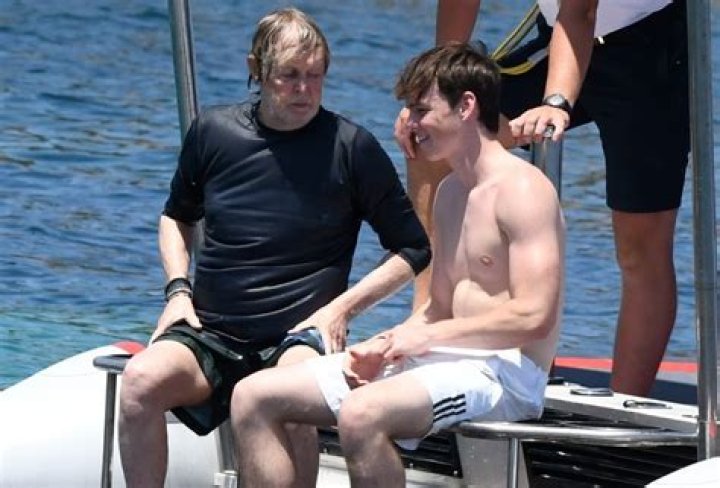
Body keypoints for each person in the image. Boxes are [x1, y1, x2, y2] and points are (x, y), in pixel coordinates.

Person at [117, 7, 431, 487]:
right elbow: (176, 216)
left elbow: (413, 248)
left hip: (298, 337)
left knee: (287, 396)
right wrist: (178, 292)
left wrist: (340, 311)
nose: (304, 89)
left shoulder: (352, 147)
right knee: (139, 381)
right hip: (212, 332)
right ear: (256, 69)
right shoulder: (213, 132)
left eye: (315, 75)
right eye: (289, 75)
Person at [230, 43, 565, 487]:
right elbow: (439, 307)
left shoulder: (524, 191)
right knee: (253, 396)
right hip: (443, 356)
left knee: (361, 414)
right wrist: (387, 344)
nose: (409, 123)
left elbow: (534, 317)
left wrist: (424, 337)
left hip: (502, 372)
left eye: (421, 110)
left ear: (466, 106)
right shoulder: (450, 193)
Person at [398, 0, 689, 397]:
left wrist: (556, 103)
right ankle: (425, 331)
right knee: (429, 136)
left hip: (646, 43)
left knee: (641, 244)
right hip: (556, 35)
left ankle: (626, 402)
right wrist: (432, 92)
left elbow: (580, 12)